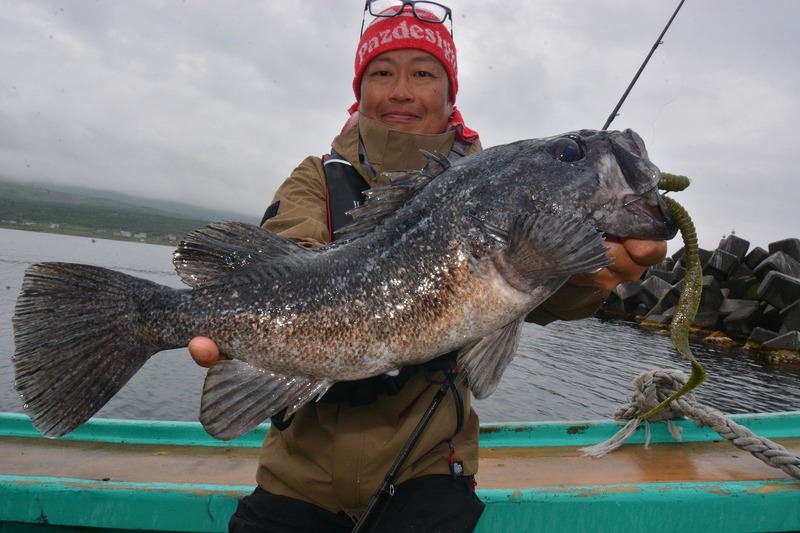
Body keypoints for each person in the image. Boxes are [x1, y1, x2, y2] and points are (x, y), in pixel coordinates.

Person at [189, 2, 668, 531]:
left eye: (422, 73)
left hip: (430, 470)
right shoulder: (315, 178)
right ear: (359, 90)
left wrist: (591, 274)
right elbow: (289, 256)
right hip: (296, 477)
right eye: (381, 73)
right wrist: (242, 325)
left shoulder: (490, 181)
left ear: (449, 93)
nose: (400, 91)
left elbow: (546, 299)